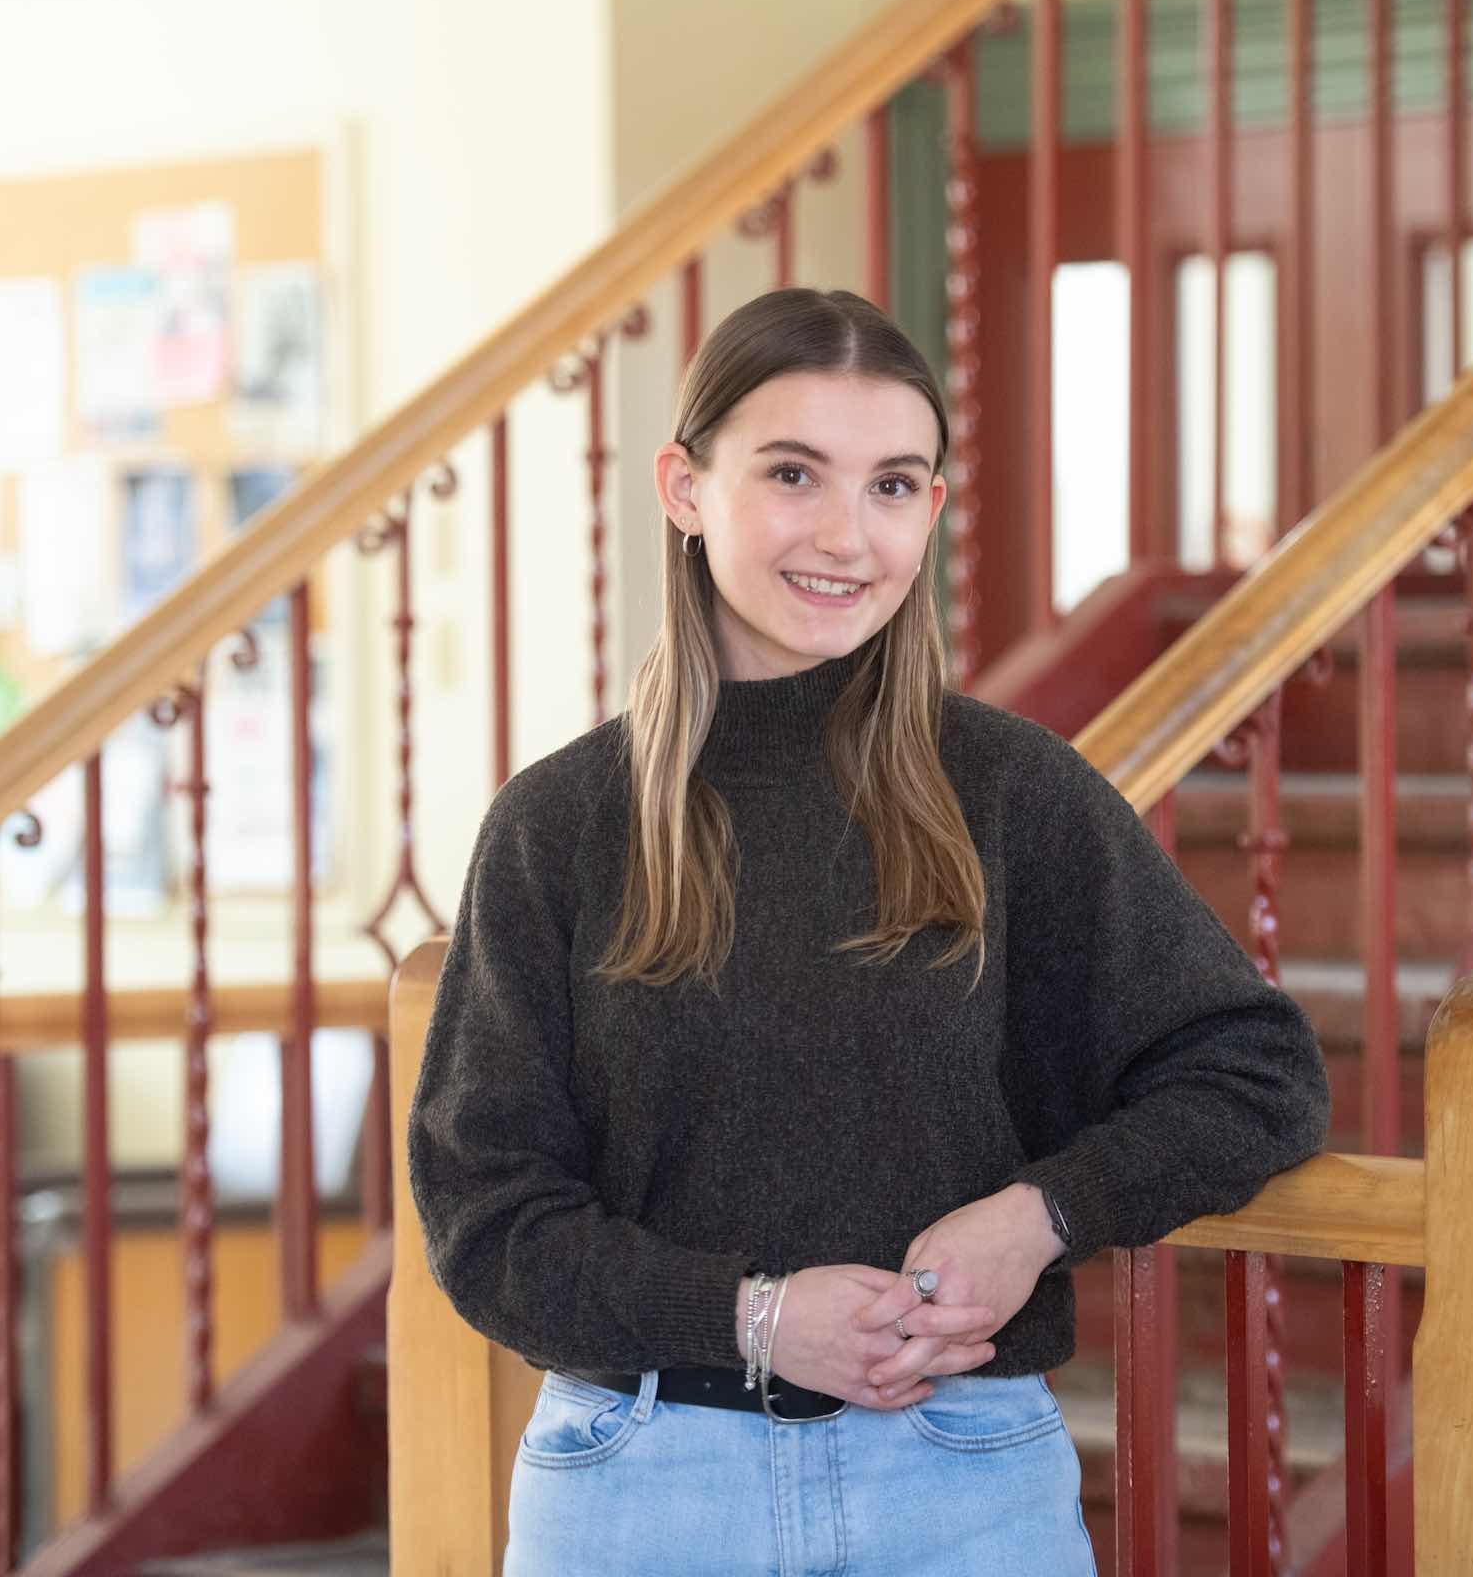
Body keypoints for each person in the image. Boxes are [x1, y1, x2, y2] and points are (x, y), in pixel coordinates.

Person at [406, 287, 1328, 1575]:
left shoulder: (1012, 793)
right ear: (684, 487)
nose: (847, 535)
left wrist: (1042, 1215)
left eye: (894, 485)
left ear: (933, 510)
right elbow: (484, 1216)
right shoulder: (560, 825)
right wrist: (750, 1318)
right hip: (642, 1487)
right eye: (795, 474)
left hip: (961, 1485)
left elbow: (1258, 1076)